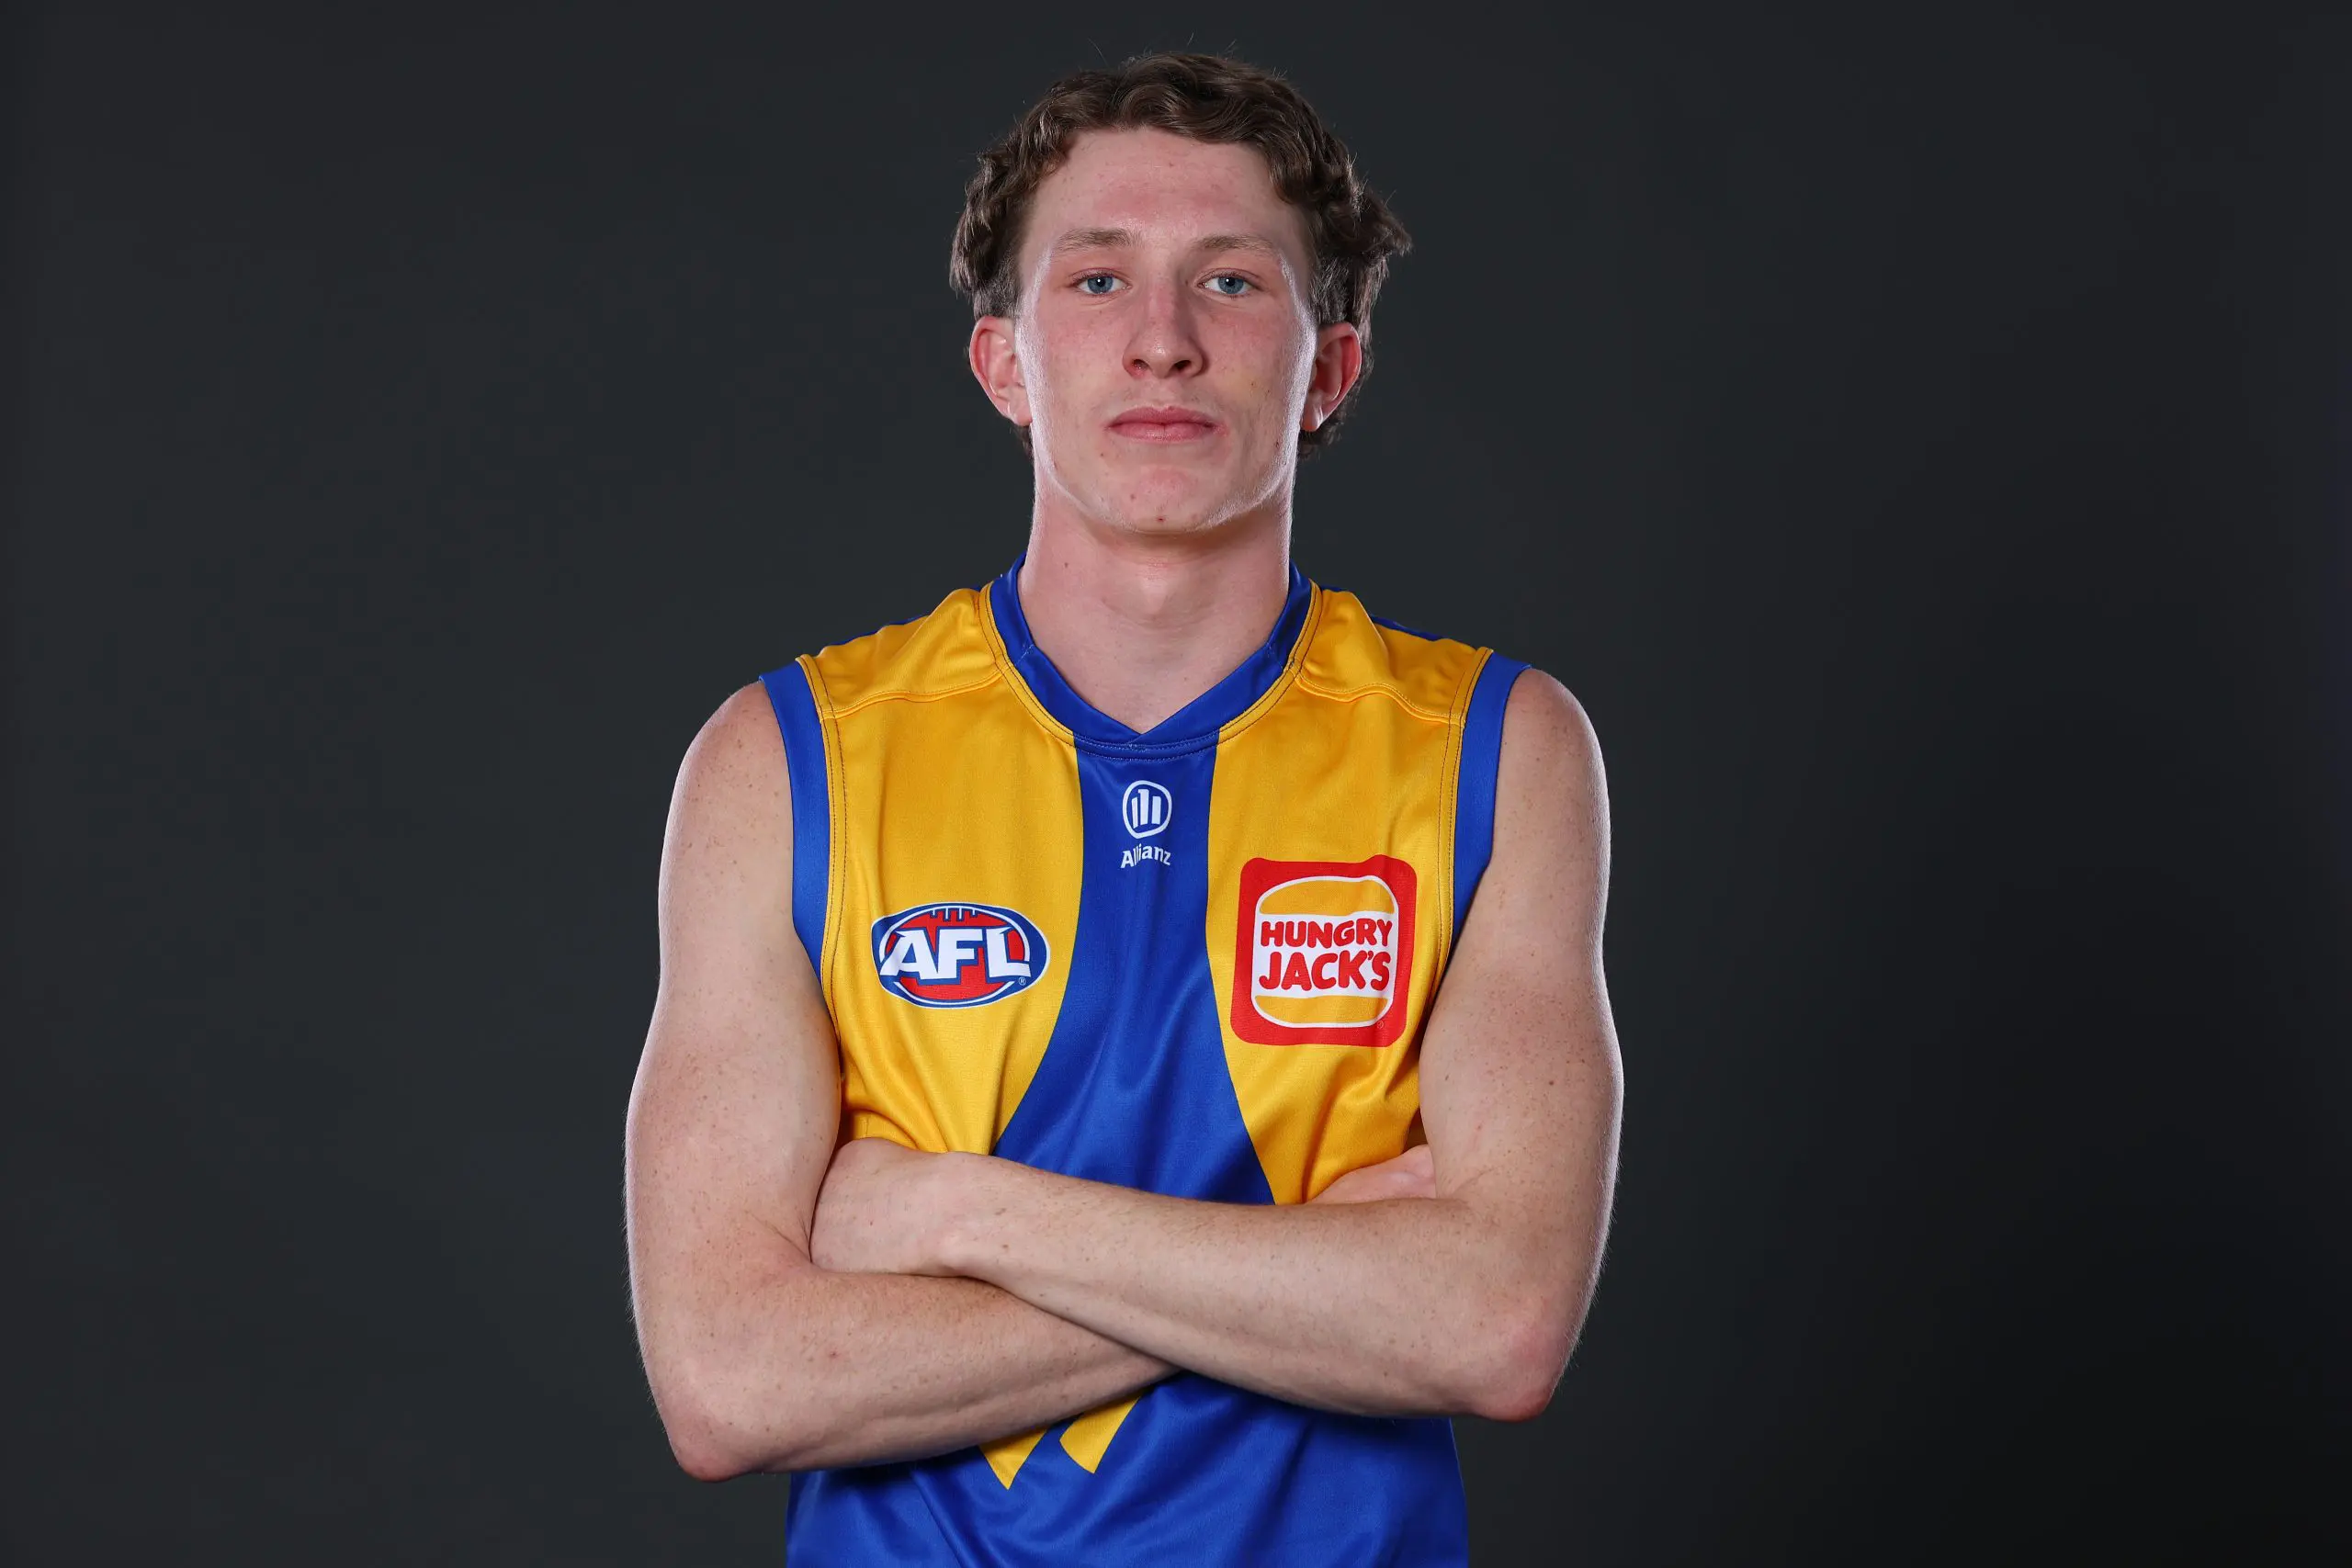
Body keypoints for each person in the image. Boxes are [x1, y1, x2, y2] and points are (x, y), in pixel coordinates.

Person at [624, 51, 1623, 1565]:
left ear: (1329, 367)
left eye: (1231, 282)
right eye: (1095, 282)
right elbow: (726, 1380)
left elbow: (1495, 1327)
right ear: (1005, 364)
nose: (1161, 340)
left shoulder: (1498, 751)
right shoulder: (782, 761)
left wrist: (954, 1213)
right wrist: (1330, 1273)